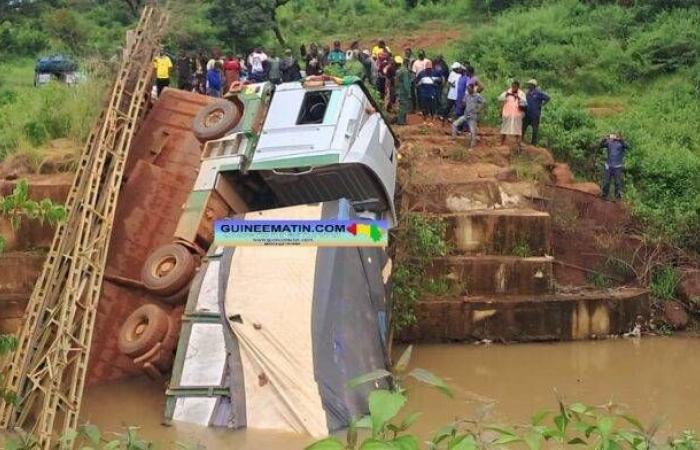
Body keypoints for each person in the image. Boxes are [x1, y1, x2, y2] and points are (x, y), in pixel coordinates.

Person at [452, 82, 485, 149]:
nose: (468, 90)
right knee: (454, 124)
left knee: (472, 132)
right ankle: (453, 140)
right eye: (467, 89)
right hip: (466, 115)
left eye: (469, 89)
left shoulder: (477, 96)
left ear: (473, 89)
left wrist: (478, 110)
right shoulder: (467, 95)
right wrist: (463, 103)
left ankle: (472, 147)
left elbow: (483, 102)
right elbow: (463, 103)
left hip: (472, 117)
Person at [599, 133, 629, 200]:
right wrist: (604, 139)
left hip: (617, 167)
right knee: (606, 182)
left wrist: (620, 139)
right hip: (608, 166)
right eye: (613, 135)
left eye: (616, 136)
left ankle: (617, 198)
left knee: (617, 183)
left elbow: (627, 146)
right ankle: (604, 195)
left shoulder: (621, 144)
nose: (614, 137)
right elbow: (601, 145)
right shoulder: (609, 142)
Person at [498, 80, 527, 145]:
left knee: (517, 131)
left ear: (518, 87)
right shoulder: (506, 93)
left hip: (517, 115)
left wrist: (518, 98)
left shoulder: (521, 94)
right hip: (507, 114)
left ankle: (518, 145)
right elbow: (501, 100)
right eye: (512, 86)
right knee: (504, 129)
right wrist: (501, 110)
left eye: (515, 86)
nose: (513, 88)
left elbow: (524, 104)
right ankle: (501, 143)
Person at [523, 79, 550, 145]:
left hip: (535, 115)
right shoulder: (527, 93)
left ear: (533, 85)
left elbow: (548, 98)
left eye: (529, 84)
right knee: (523, 127)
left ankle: (533, 144)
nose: (528, 85)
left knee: (535, 130)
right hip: (527, 114)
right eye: (528, 84)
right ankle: (521, 140)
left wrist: (542, 105)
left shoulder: (539, 93)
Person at [396, 58, 412, 125]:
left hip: (399, 90)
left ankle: (402, 120)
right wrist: (409, 93)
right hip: (404, 91)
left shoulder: (399, 70)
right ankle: (401, 121)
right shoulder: (405, 71)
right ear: (407, 63)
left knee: (401, 105)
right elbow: (406, 83)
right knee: (403, 106)